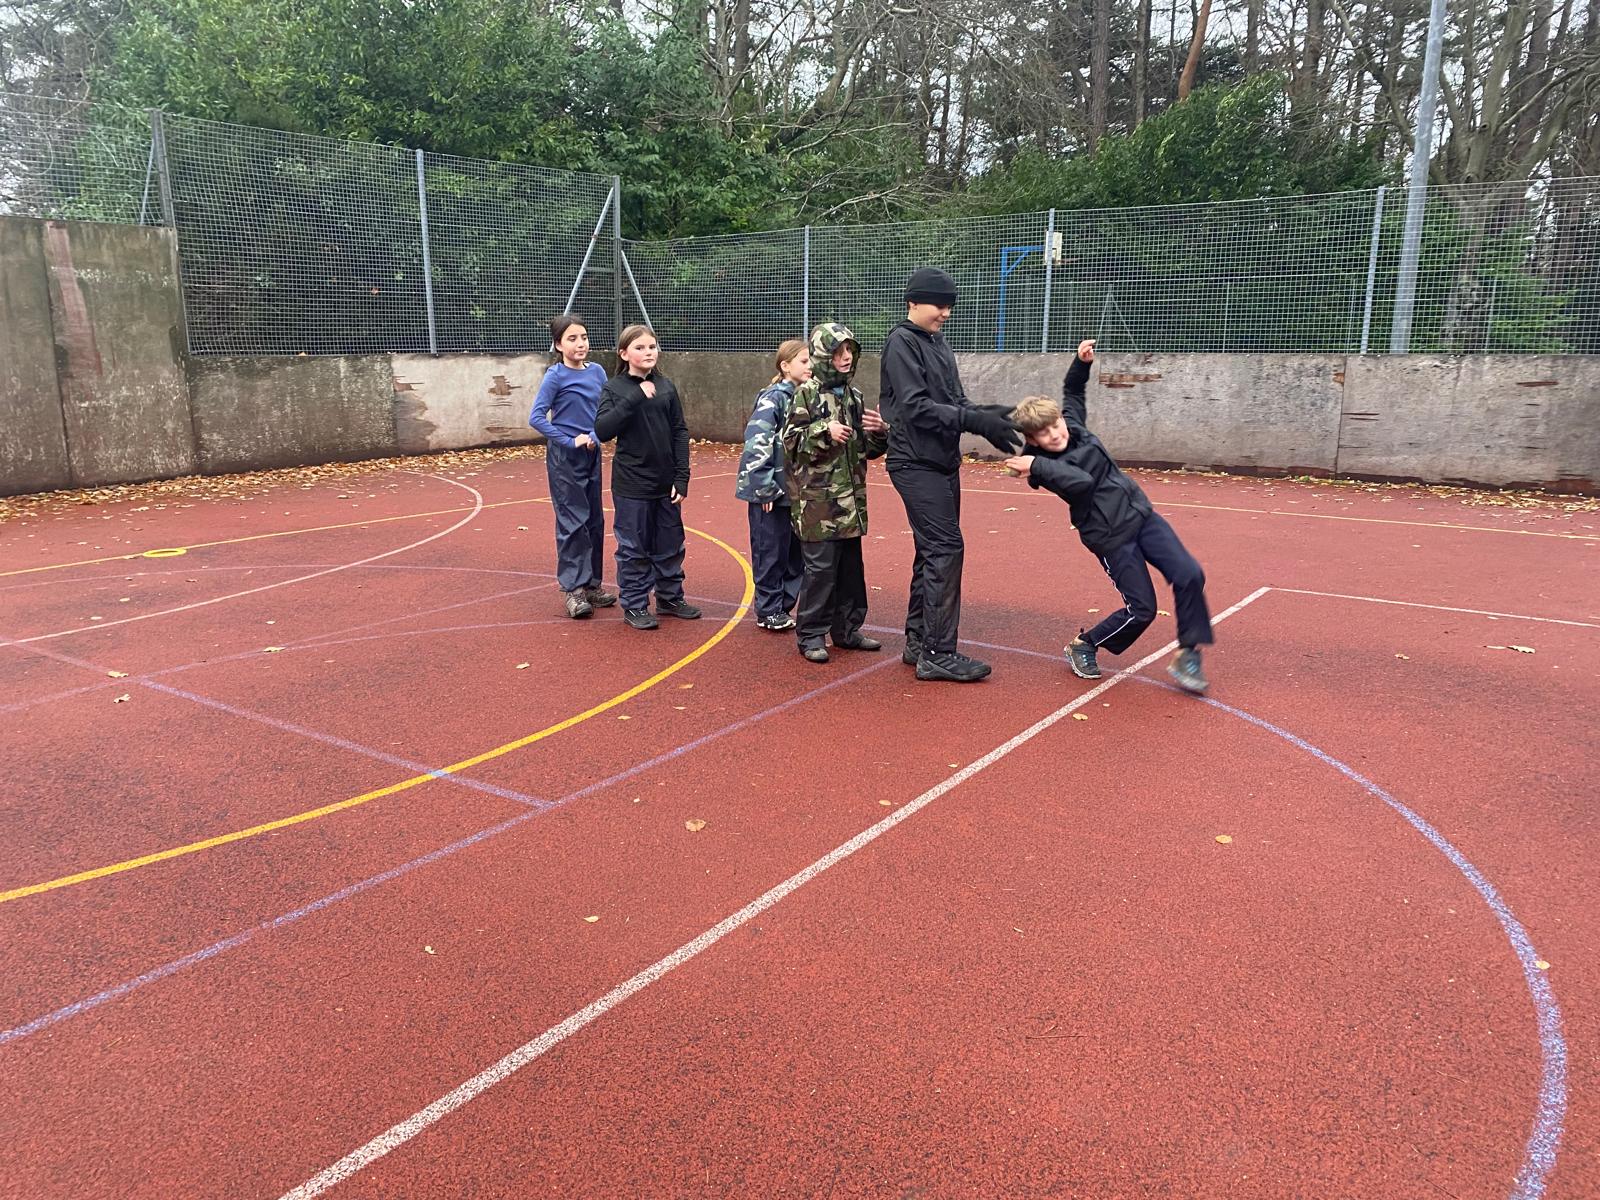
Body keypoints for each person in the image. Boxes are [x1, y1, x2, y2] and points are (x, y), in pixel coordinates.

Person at [1004, 339, 1213, 693]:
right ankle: (1085, 644)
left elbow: (1073, 392)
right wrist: (1035, 465)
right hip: (1111, 537)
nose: (1055, 434)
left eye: (1056, 425)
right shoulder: (1045, 467)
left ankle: (1188, 653)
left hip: (1141, 517)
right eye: (1044, 433)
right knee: (1141, 610)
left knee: (1190, 574)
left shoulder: (1073, 426)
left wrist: (1081, 362)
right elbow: (1081, 482)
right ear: (1033, 440)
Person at [879, 266, 1023, 683]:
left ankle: (918, 642)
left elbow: (954, 399)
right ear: (913, 302)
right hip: (913, 462)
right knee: (945, 548)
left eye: (949, 306)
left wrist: (986, 415)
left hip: (942, 462)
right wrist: (972, 421)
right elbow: (914, 408)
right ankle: (938, 653)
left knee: (931, 551)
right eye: (939, 305)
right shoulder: (902, 342)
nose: (945, 313)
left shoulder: (937, 342)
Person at [781, 322, 889, 662]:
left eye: (849, 351)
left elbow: (864, 450)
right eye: (838, 352)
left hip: (850, 503)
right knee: (820, 572)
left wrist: (880, 432)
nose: (845, 357)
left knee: (850, 571)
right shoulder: (806, 394)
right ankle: (811, 635)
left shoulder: (854, 396)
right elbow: (790, 443)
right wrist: (823, 430)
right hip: (817, 503)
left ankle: (847, 630)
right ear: (823, 355)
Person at [592, 324, 702, 630]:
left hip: (665, 483)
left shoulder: (665, 386)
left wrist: (682, 477)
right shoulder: (614, 389)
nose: (648, 352)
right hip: (632, 484)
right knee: (633, 547)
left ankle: (669, 597)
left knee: (670, 543)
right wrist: (635, 398)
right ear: (624, 354)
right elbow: (602, 430)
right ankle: (635, 604)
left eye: (652, 346)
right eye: (639, 348)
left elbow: (679, 431)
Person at [527, 313, 616, 619]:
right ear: (558, 345)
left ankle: (592, 585)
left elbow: (606, 410)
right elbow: (536, 417)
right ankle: (573, 590)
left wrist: (595, 436)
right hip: (565, 458)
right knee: (572, 521)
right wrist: (569, 440)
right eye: (572, 339)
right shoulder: (555, 376)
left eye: (584, 337)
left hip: (591, 454)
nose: (580, 344)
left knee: (594, 520)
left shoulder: (597, 372)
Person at [735, 339, 811, 631]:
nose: (810, 366)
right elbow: (757, 442)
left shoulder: (806, 396)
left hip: (797, 491)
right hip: (772, 491)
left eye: (812, 361)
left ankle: (783, 606)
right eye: (804, 361)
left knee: (795, 554)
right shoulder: (774, 398)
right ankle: (768, 609)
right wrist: (763, 487)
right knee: (770, 551)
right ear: (785, 366)